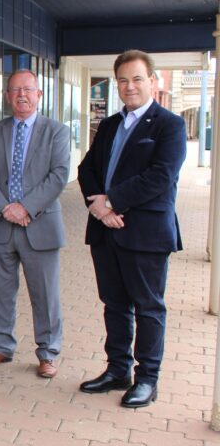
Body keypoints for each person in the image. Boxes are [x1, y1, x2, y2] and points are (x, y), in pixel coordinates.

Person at [77, 50, 186, 408]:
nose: (129, 86)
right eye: (123, 80)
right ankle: (118, 370)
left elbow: (160, 177)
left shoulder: (169, 125)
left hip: (145, 233)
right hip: (106, 231)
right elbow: (87, 169)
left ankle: (147, 379)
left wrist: (111, 202)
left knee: (148, 307)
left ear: (152, 82)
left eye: (137, 78)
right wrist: (99, 206)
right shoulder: (109, 125)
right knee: (114, 304)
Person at [0, 69, 70, 377]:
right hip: (3, 224)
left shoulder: (56, 131)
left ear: (39, 94)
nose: (21, 95)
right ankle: (2, 347)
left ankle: (47, 353)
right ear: (7, 96)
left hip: (39, 225)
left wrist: (26, 207)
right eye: (15, 90)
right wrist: (5, 209)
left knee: (45, 294)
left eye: (28, 89)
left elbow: (58, 175)